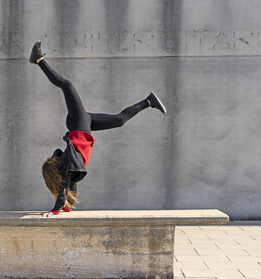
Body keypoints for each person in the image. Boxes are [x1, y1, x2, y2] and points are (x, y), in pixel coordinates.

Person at [29, 41, 166, 217]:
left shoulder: (67, 165)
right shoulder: (71, 171)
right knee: (119, 120)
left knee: (67, 86)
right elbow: (67, 185)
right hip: (84, 125)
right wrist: (65, 207)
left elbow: (64, 184)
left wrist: (55, 209)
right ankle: (148, 101)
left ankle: (38, 60)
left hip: (79, 125)